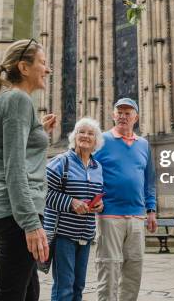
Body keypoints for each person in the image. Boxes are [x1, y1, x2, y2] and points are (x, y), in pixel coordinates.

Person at [0, 38, 57, 301]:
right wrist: (31, 223)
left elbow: (12, 151)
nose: (48, 69)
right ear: (24, 67)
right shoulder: (17, 101)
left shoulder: (7, 101)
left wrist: (38, 131)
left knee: (29, 293)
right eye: (43, 63)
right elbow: (14, 167)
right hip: (18, 215)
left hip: (11, 213)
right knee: (11, 295)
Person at [94, 97, 157, 301]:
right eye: (119, 112)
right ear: (113, 115)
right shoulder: (101, 140)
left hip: (137, 216)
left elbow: (149, 180)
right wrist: (95, 198)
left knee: (134, 269)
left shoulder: (144, 144)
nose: (123, 116)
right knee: (109, 267)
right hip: (109, 215)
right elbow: (89, 171)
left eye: (127, 112)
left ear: (135, 117)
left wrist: (151, 210)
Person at [44, 117, 104, 301]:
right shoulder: (61, 162)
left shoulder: (97, 167)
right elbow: (42, 192)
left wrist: (100, 206)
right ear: (74, 136)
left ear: (96, 141)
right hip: (63, 235)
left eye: (90, 133)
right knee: (64, 287)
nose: (85, 136)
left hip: (85, 235)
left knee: (79, 286)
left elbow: (98, 193)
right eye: (81, 132)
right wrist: (70, 202)